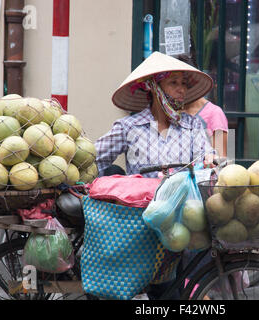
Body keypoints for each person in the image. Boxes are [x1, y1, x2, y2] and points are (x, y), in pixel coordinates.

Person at [94, 51, 217, 299]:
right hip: (140, 224)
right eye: (173, 83)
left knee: (170, 291)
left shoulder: (193, 126)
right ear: (153, 87)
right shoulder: (129, 127)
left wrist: (212, 160)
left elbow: (207, 154)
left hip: (179, 224)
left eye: (184, 84)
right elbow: (95, 157)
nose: (181, 90)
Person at [176, 54, 229, 159]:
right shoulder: (171, 110)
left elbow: (220, 159)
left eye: (183, 83)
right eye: (173, 83)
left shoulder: (214, 113)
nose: (179, 88)